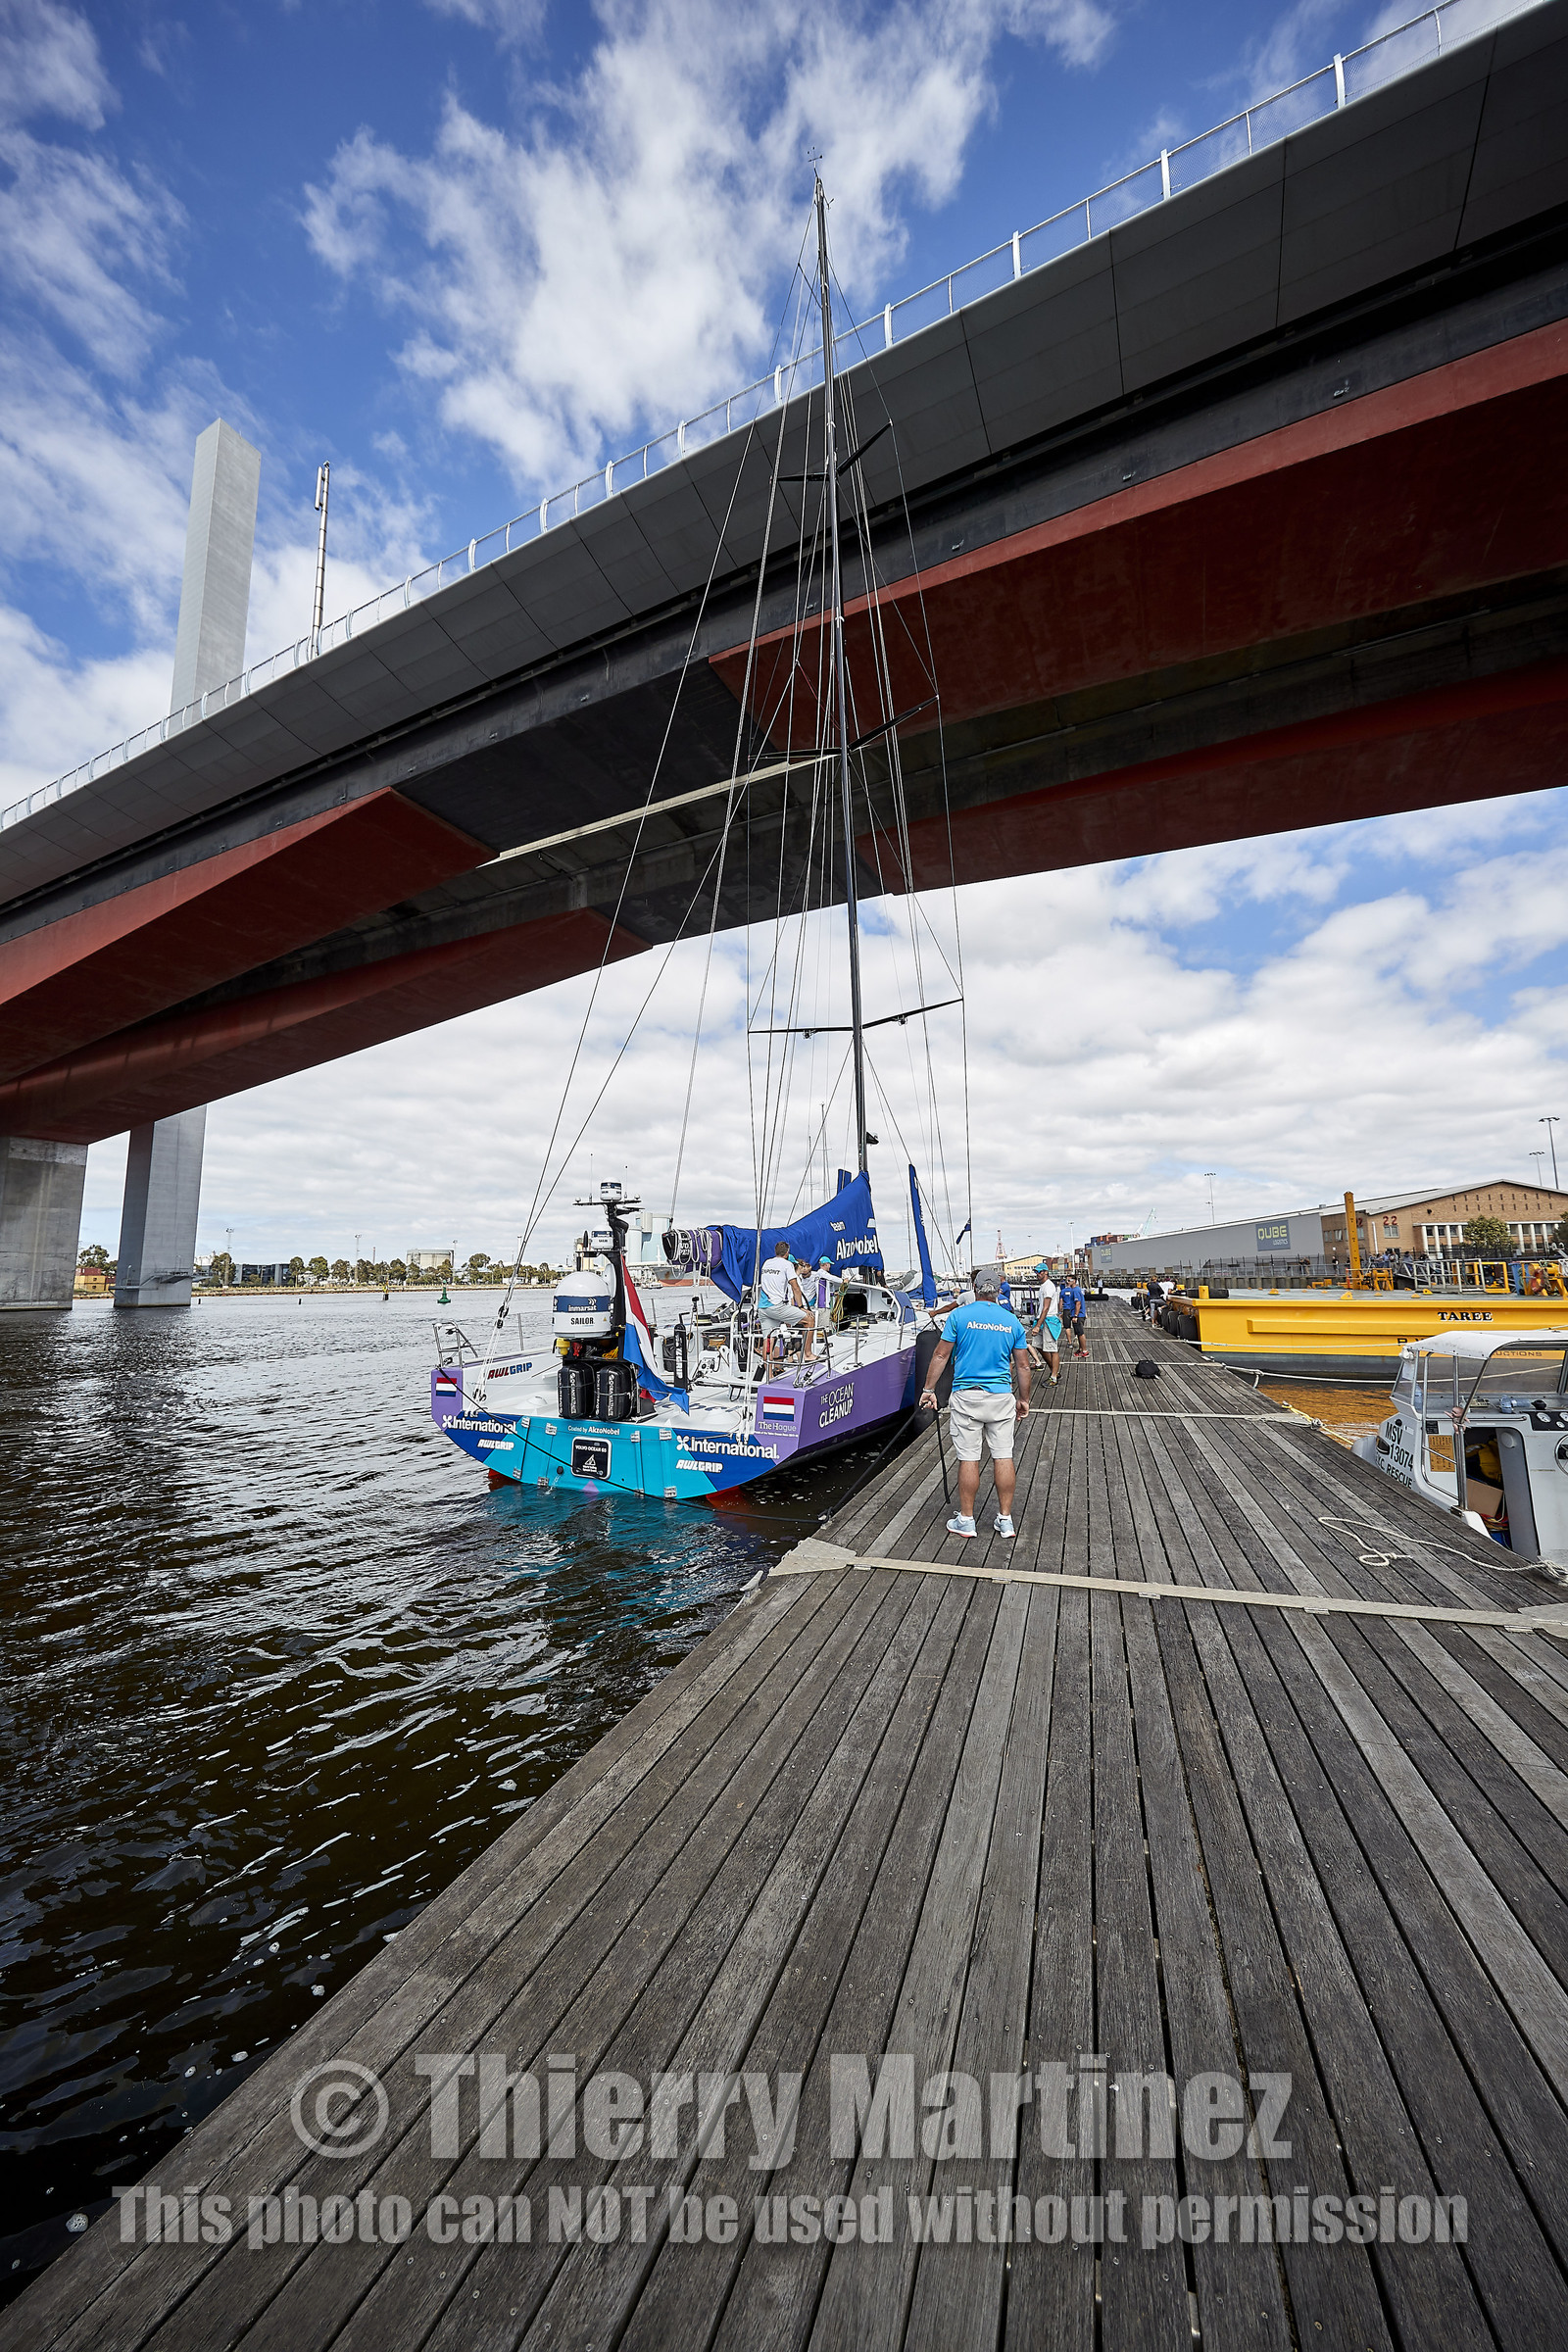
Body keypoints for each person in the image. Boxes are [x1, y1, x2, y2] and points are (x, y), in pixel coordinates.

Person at [918, 1270, 1030, 1541]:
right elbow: (1024, 1365)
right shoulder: (1011, 1321)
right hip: (1001, 1396)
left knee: (969, 1457)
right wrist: (1024, 1399)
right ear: (998, 1291)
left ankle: (966, 1520)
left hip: (967, 1395)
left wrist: (928, 1390)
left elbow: (941, 1354)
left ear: (975, 1288)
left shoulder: (959, 1315)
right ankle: (1005, 1520)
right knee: (1003, 1455)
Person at [758, 1242, 808, 1366]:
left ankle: (769, 1375)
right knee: (809, 1320)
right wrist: (801, 1307)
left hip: (763, 1307)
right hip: (777, 1307)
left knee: (768, 1340)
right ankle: (808, 1354)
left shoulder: (766, 1263)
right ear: (787, 1253)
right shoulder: (787, 1265)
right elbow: (795, 1288)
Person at [1029, 1270, 1061, 1383]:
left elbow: (1046, 1308)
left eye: (1040, 1272)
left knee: (1053, 1349)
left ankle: (1054, 1377)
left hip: (1049, 1320)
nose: (1037, 1274)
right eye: (1036, 1272)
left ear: (1046, 1272)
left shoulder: (1048, 1286)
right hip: (1041, 1319)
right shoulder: (1042, 1286)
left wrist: (1038, 1326)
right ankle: (1054, 1370)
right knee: (1038, 1345)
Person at [1059, 1272, 1088, 1358]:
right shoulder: (1074, 1290)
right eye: (1066, 1280)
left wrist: (1075, 1315)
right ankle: (1080, 1349)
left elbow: (1078, 1303)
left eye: (1069, 1280)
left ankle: (1084, 1351)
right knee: (1077, 1332)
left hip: (1078, 1315)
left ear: (1074, 1281)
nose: (1067, 1281)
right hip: (1074, 1313)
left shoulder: (1075, 1290)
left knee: (1080, 1333)